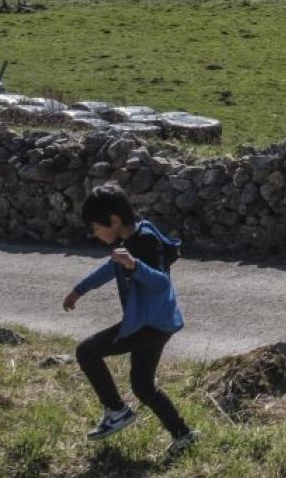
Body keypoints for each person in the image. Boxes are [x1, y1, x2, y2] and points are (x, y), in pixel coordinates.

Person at [64, 186, 197, 454]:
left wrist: (134, 266)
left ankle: (116, 410)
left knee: (87, 351)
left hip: (149, 325)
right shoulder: (130, 240)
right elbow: (111, 267)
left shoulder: (145, 241)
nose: (95, 234)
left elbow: (161, 283)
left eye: (96, 228)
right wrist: (79, 290)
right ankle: (183, 435)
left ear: (114, 220)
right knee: (143, 387)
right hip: (158, 324)